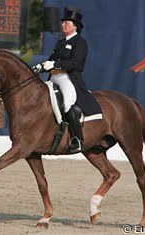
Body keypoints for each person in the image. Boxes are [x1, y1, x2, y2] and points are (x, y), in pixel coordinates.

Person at [33, 7, 101, 153]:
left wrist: (55, 64)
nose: (63, 25)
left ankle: (78, 139)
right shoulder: (61, 42)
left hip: (67, 78)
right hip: (54, 77)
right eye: (63, 23)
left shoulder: (80, 42)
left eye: (67, 23)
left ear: (75, 26)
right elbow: (51, 60)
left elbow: (75, 64)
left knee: (67, 103)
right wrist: (41, 66)